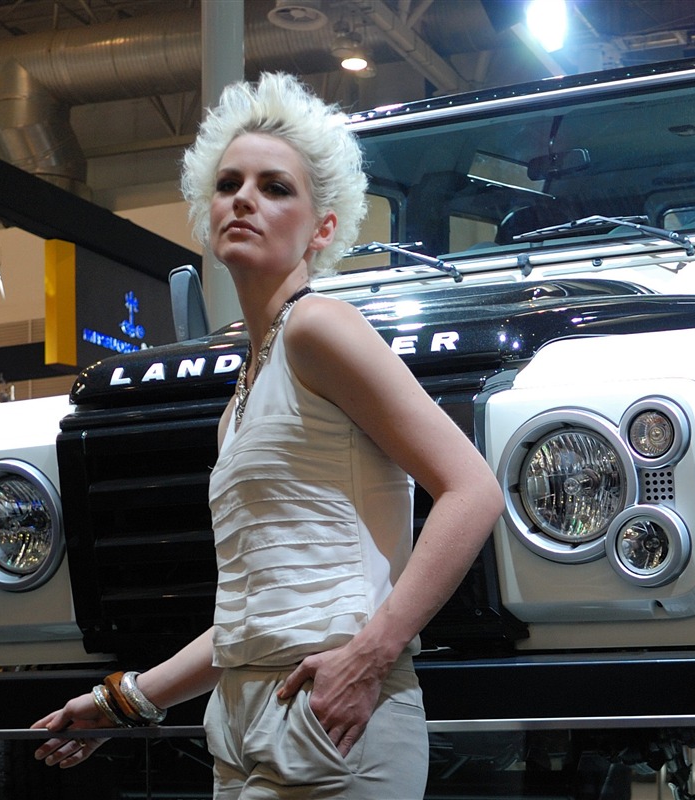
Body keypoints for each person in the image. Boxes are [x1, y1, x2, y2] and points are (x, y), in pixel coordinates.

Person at [32, 72, 504, 799]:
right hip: (241, 717)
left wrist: (370, 655)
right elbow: (252, 620)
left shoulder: (320, 326)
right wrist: (123, 701)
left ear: (323, 229)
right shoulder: (241, 398)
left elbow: (472, 490)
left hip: (328, 711)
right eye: (229, 184)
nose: (244, 198)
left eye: (275, 187)